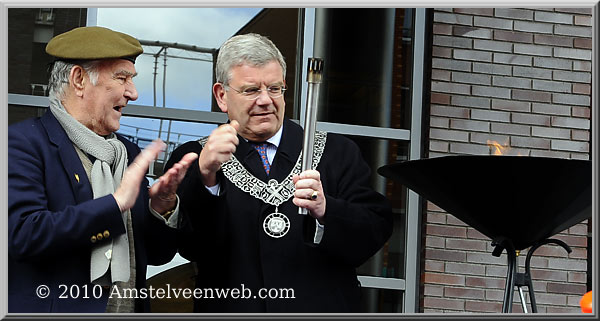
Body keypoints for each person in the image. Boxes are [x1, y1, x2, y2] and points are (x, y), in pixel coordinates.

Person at [166, 33, 393, 313]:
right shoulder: (193, 159)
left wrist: (326, 209)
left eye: (275, 88)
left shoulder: (337, 152)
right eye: (251, 90)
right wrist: (206, 177)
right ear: (221, 96)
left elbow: (373, 232)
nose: (265, 100)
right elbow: (190, 246)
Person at [7, 26, 198, 313]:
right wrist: (115, 204)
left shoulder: (128, 153)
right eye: (121, 77)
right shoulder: (22, 144)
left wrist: (162, 208)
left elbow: (158, 255)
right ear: (79, 79)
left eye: (131, 80)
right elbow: (24, 236)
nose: (132, 93)